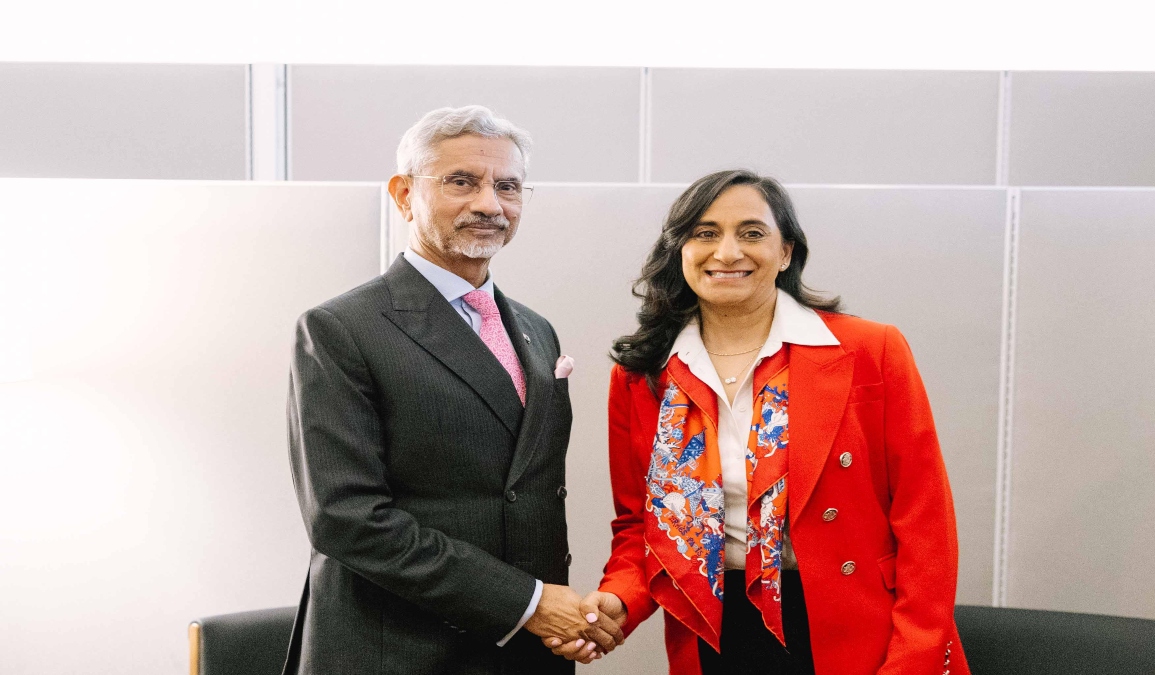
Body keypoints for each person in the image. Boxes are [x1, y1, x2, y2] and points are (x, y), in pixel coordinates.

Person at [546, 169, 969, 674]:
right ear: (679, 250)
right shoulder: (643, 375)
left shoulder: (869, 351)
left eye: (751, 233)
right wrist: (617, 603)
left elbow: (926, 521)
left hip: (857, 626)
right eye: (705, 233)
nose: (727, 253)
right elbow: (643, 528)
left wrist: (914, 656)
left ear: (786, 251)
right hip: (715, 631)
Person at [282, 105, 622, 675]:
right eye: (461, 182)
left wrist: (558, 617)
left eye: (508, 186)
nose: (490, 204)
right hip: (396, 651)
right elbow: (345, 517)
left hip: (524, 653)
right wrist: (530, 604)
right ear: (403, 193)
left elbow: (525, 492)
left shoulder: (536, 330)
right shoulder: (342, 328)